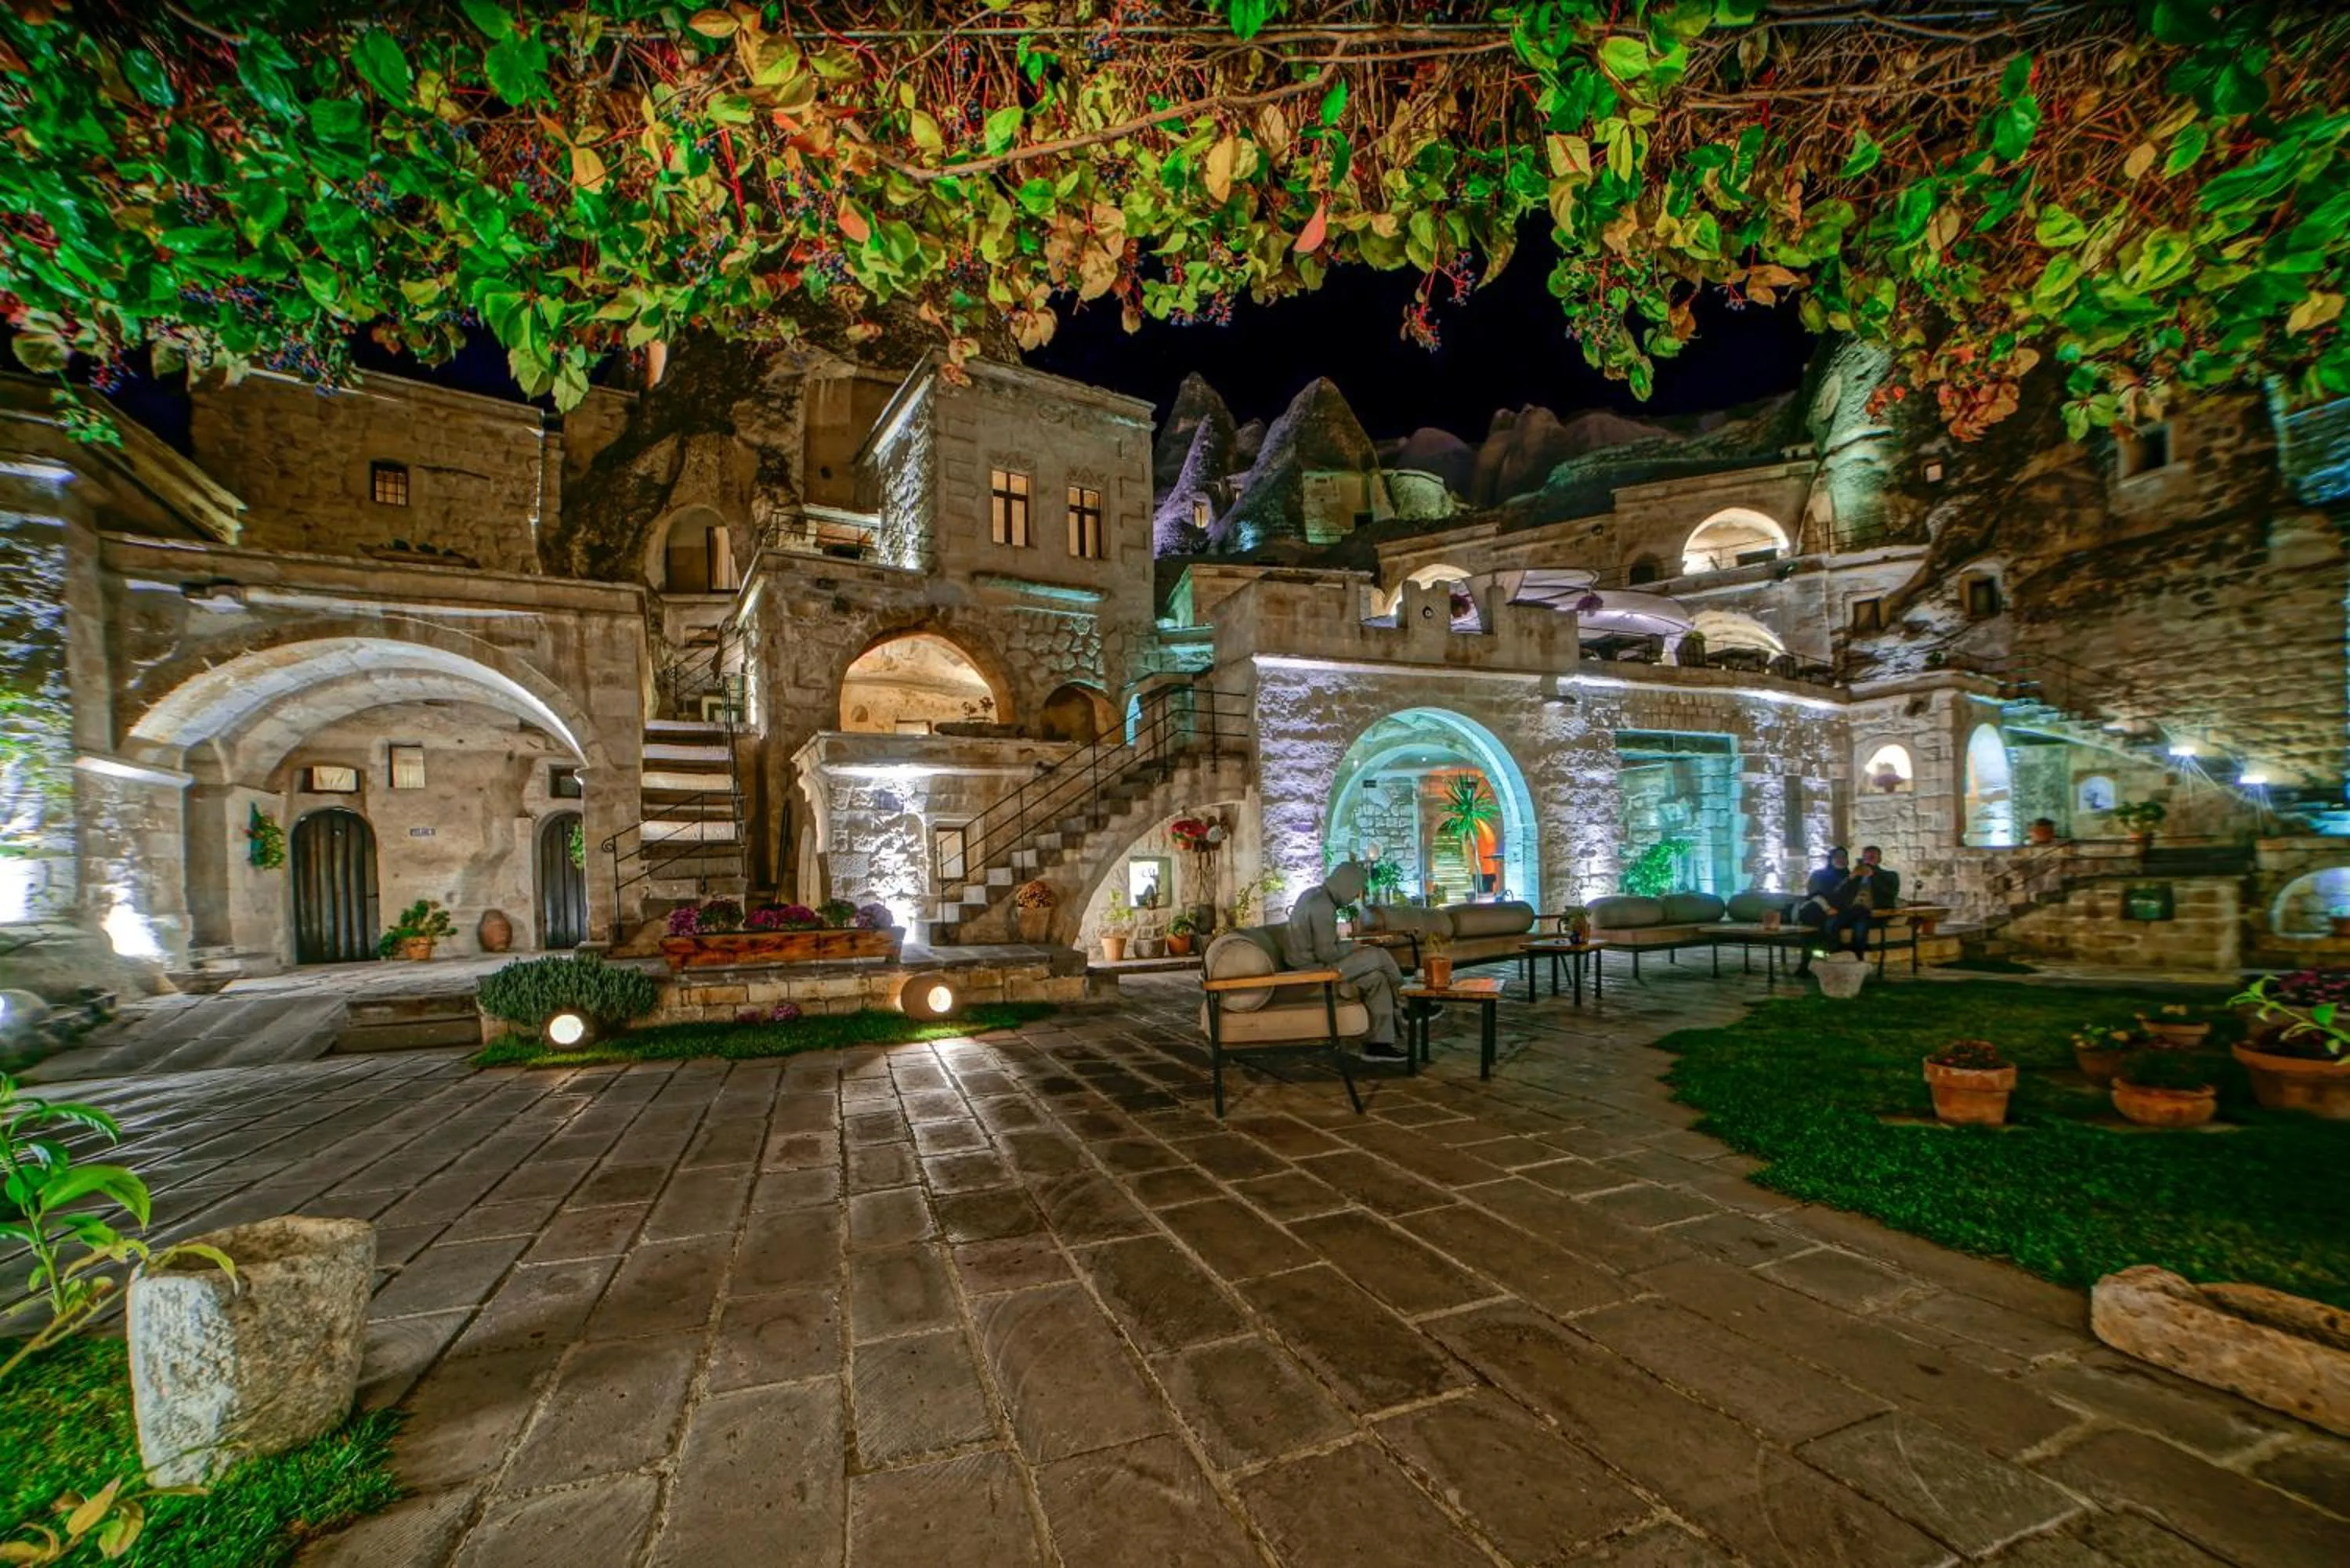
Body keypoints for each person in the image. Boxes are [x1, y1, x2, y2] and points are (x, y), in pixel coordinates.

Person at [1282, 861, 1405, 1061]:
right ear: (1347, 884)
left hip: (1313, 966)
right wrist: (1355, 947)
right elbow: (1327, 954)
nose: (1356, 896)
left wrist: (1352, 946)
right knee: (1378, 955)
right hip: (1313, 972)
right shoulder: (1323, 906)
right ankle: (1406, 1001)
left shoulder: (1314, 895)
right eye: (1356, 890)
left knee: (1377, 978)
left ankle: (1379, 1044)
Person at [1829, 845, 1904, 959]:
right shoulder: (1856, 877)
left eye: (1872, 857)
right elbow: (1837, 893)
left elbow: (1890, 893)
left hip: (1874, 914)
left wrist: (1873, 875)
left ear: (1879, 860)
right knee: (1833, 923)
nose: (1869, 860)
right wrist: (1851, 877)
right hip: (1852, 913)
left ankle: (1857, 959)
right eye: (1866, 857)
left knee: (1860, 923)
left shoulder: (1890, 876)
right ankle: (1836, 956)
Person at [1793, 847, 1849, 974]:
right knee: (1812, 916)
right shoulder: (1819, 875)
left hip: (1839, 912)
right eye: (1837, 856)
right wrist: (1827, 908)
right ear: (1831, 859)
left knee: (1830, 924)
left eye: (1844, 857)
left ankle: (1823, 962)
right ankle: (1808, 962)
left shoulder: (1850, 876)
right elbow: (1814, 894)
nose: (1841, 860)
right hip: (1818, 909)